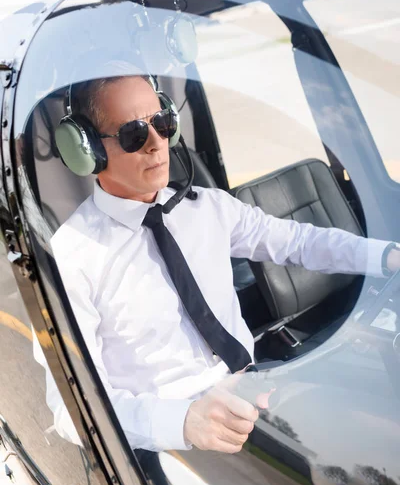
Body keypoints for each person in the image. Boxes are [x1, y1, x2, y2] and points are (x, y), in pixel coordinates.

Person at [33, 73, 400, 454]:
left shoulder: (205, 207)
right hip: (176, 446)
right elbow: (70, 409)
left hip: (255, 393)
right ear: (88, 150)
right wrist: (183, 422)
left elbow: (298, 242)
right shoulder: (71, 259)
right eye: (133, 134)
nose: (157, 145)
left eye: (163, 124)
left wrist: (387, 256)